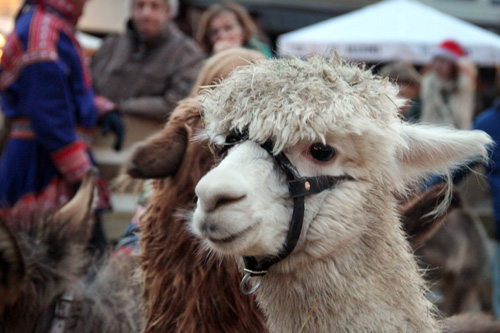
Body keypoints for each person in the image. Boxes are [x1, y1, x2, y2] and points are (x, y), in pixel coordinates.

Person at [0, 0, 110, 251]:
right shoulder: (42, 29)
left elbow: (63, 91)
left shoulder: (49, 23)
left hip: (46, 155)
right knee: (42, 259)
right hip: (42, 164)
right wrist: (83, 180)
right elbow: (46, 112)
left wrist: (102, 108)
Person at [90, 0, 204, 150]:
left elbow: (177, 103)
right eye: (140, 6)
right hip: (96, 145)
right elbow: (86, 88)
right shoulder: (110, 45)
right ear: (131, 10)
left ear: (168, 12)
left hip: (148, 151)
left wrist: (118, 108)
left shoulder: (187, 54)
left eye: (155, 6)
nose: (146, 14)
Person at [419, 39, 476, 129]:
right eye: (436, 60)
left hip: (458, 134)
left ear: (454, 65)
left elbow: (464, 117)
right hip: (430, 135)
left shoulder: (464, 86)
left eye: (443, 61)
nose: (438, 65)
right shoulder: (428, 84)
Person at [196, 2, 272, 58]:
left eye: (228, 28)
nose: (222, 36)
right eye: (214, 32)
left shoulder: (259, 49)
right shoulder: (203, 61)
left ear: (243, 29)